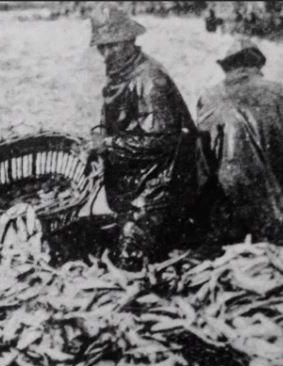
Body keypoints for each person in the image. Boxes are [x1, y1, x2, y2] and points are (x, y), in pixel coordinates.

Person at [81, 5, 199, 270]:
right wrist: (99, 137)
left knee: (130, 265)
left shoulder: (150, 79)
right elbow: (113, 122)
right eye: (102, 47)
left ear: (130, 41)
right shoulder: (120, 75)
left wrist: (108, 145)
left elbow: (160, 140)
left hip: (159, 185)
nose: (107, 54)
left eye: (114, 45)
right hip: (134, 179)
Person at [196, 38, 283, 243]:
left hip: (228, 218)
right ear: (257, 65)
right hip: (277, 216)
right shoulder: (279, 93)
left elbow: (201, 165)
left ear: (228, 67)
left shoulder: (209, 97)